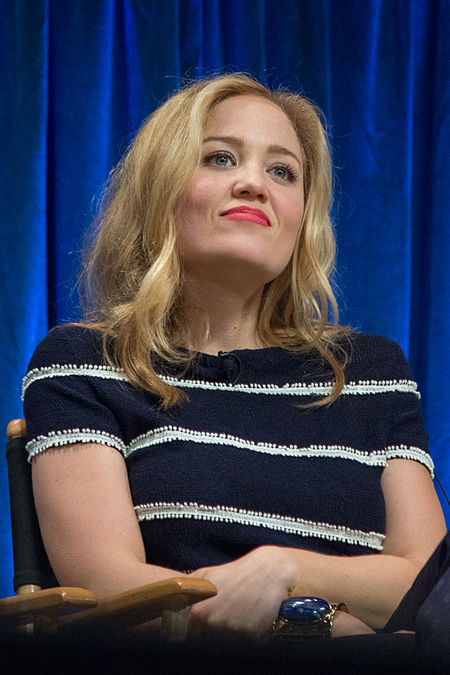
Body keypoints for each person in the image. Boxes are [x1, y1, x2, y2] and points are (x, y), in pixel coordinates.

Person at [23, 73, 446, 641]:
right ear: (159, 190)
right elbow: (109, 583)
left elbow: (426, 586)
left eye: (282, 172)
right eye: (220, 158)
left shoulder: (370, 372)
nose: (254, 184)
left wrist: (284, 570)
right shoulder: (86, 362)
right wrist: (321, 623)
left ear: (302, 220)